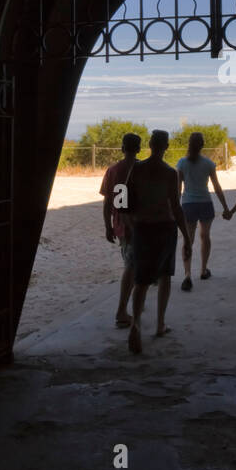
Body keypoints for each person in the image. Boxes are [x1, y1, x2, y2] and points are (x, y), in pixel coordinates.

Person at [122, 130, 193, 354]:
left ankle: (136, 324)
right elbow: (176, 206)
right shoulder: (170, 173)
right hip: (164, 227)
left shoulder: (137, 168)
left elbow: (122, 194)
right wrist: (187, 237)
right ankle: (161, 324)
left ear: (150, 145)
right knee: (165, 276)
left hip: (142, 227)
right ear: (167, 147)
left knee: (141, 280)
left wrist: (127, 220)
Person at [175, 131, 230, 292]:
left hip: (188, 205)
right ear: (202, 145)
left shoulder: (182, 163)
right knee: (205, 236)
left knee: (188, 239)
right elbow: (217, 187)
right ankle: (203, 270)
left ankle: (187, 274)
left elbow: (178, 189)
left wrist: (175, 208)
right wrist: (226, 207)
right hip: (205, 203)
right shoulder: (208, 164)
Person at [99, 132, 141, 329]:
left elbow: (110, 202)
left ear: (122, 148)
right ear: (139, 149)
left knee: (131, 265)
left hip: (123, 226)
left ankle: (129, 307)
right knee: (132, 267)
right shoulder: (143, 169)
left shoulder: (114, 170)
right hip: (140, 225)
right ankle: (122, 311)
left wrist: (108, 226)